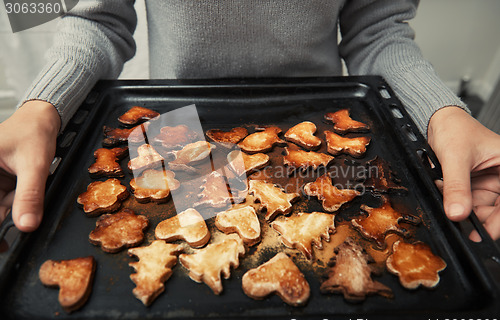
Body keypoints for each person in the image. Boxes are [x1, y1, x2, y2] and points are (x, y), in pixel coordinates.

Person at [1, 0, 499, 241]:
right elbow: (97, 17)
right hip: (180, 131)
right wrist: (41, 109)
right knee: (199, 268)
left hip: (318, 135)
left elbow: (377, 27)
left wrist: (441, 112)